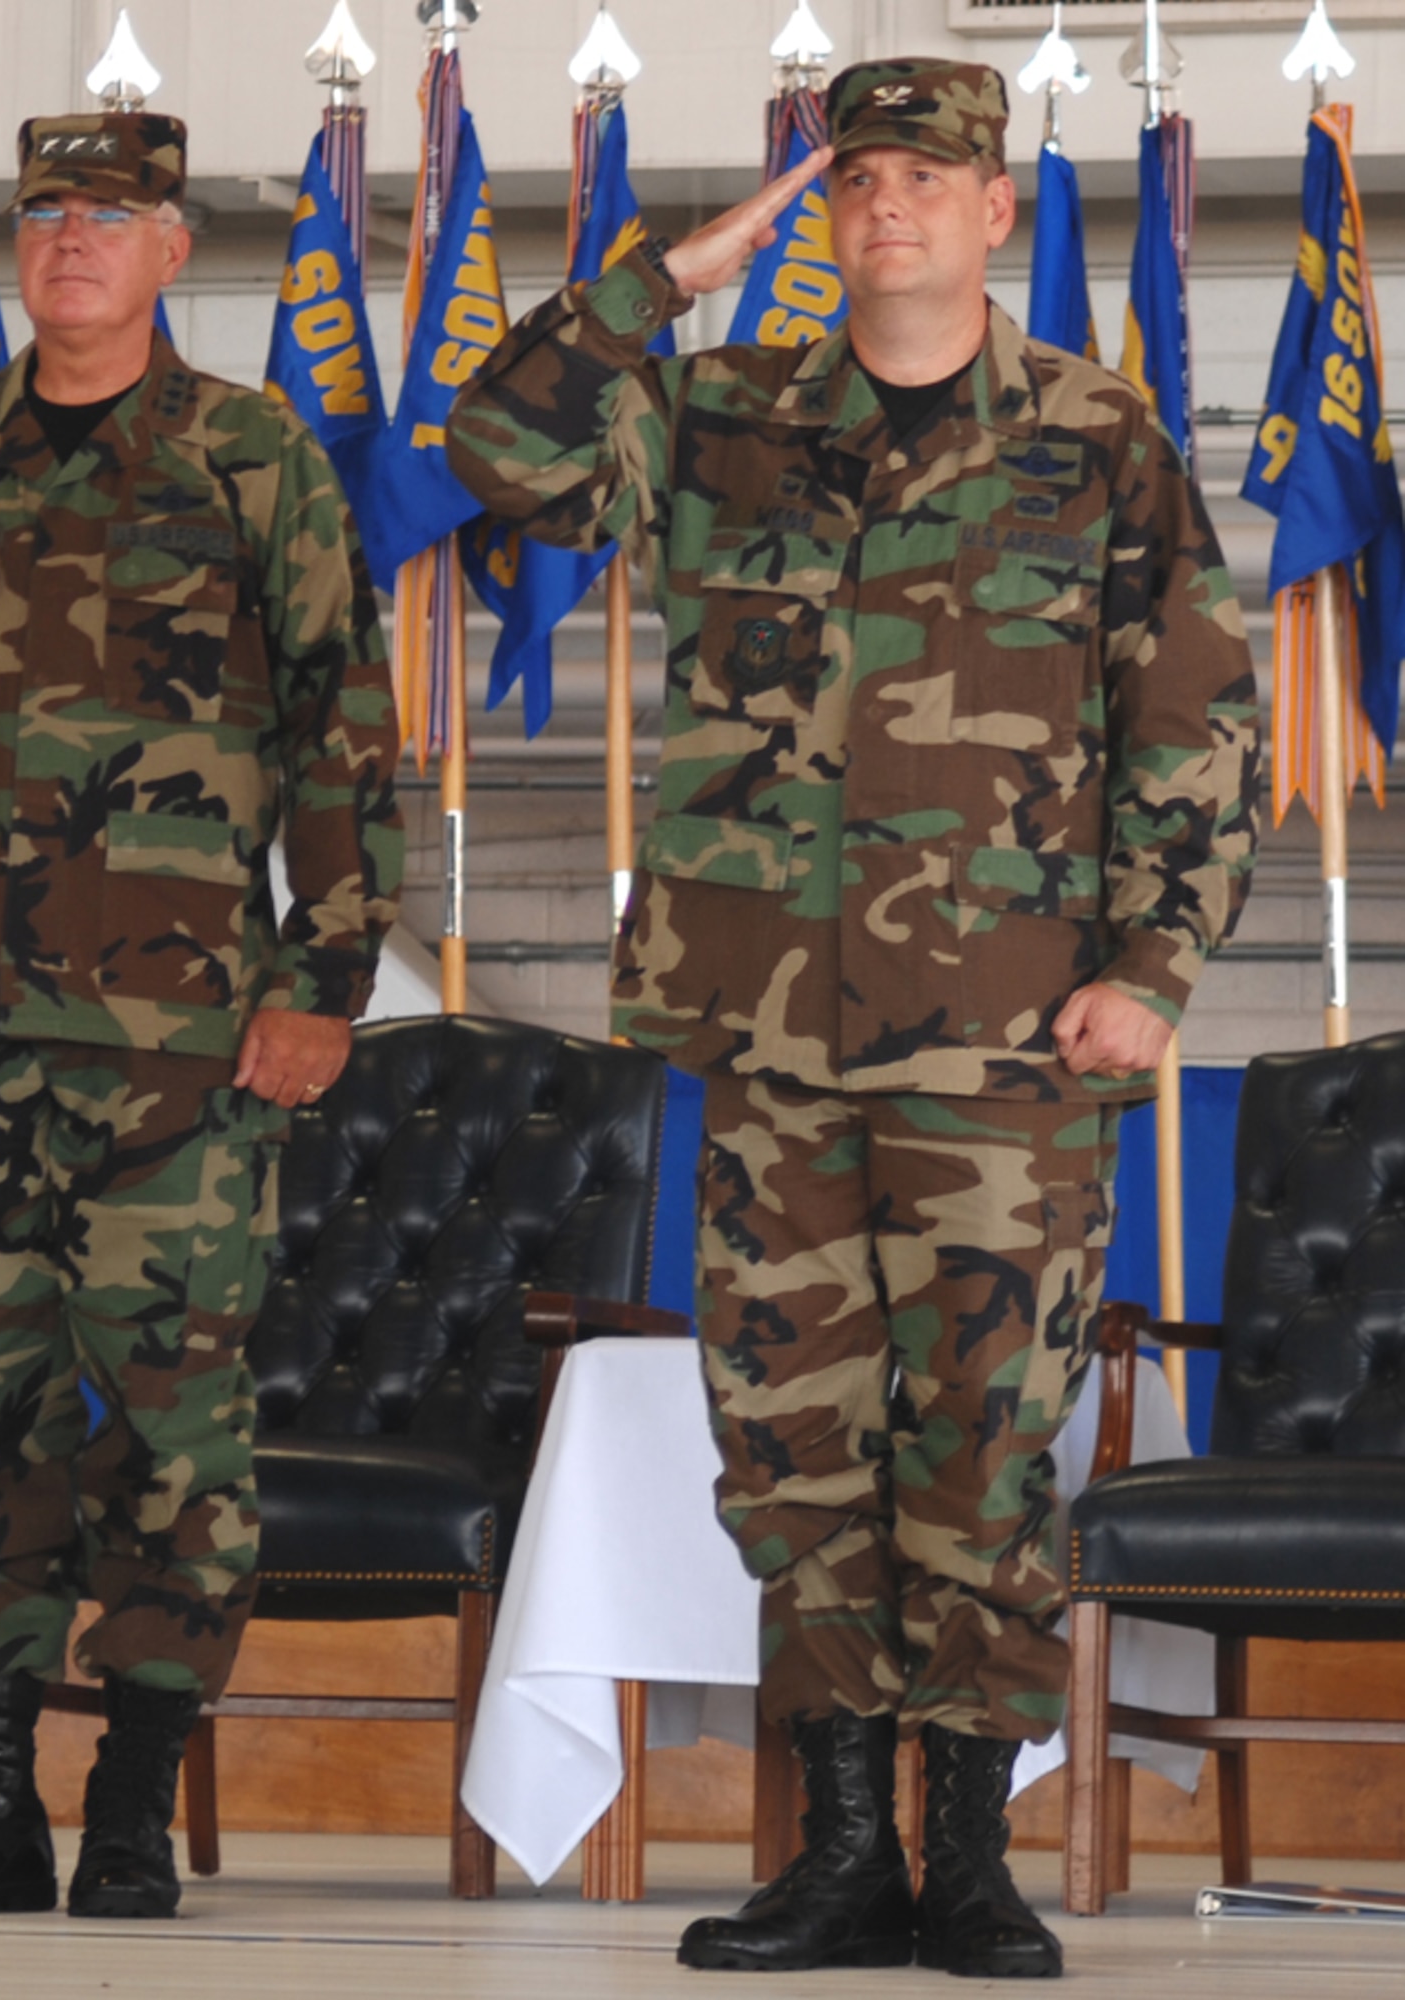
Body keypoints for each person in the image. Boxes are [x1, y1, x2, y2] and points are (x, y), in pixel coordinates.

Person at [449, 59, 1257, 1981]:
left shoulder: (1095, 433)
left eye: (931, 177)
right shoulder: (719, 413)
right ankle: (839, 1856)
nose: (889, 201)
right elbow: (494, 449)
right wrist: (676, 267)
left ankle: (968, 1849)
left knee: (979, 1441)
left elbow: (1194, 722)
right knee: (797, 1451)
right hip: (767, 1035)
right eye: (860, 173)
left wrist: (1149, 974)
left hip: (1008, 1047)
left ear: (999, 212)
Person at [0, 111, 402, 1922]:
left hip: (187, 1046)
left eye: (107, 216)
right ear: (7, 247)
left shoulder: (251, 456)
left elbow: (343, 732)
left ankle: (130, 1799)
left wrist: (325, 982)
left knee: (175, 1416)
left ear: (171, 247)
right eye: (44, 213)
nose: (68, 241)